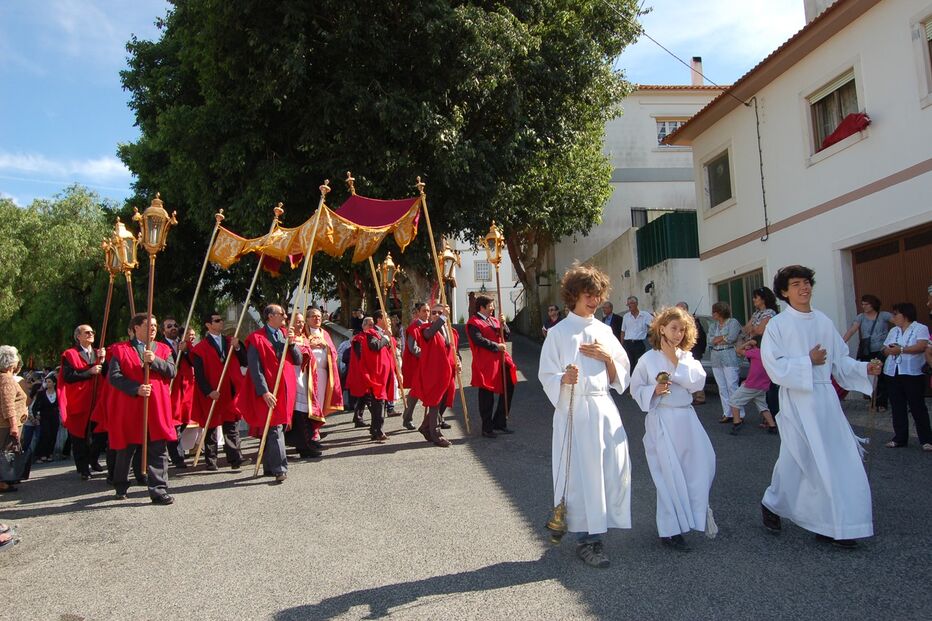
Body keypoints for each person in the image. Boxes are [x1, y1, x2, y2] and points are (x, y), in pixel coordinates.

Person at [759, 265, 881, 548]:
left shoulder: (824, 321)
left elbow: (840, 361)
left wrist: (865, 368)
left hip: (825, 400)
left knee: (837, 460)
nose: (804, 288)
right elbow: (774, 366)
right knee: (798, 459)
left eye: (807, 283)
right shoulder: (778, 325)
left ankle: (833, 524)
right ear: (784, 292)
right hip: (797, 398)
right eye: (797, 284)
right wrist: (806, 361)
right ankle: (772, 502)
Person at [539, 264, 632, 568]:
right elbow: (546, 374)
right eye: (588, 294)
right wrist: (562, 379)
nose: (594, 300)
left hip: (603, 408)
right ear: (573, 295)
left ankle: (598, 531)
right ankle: (586, 539)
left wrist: (607, 358)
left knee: (607, 472)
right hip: (574, 411)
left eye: (597, 295)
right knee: (579, 476)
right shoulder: (558, 333)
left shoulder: (605, 331)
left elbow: (622, 375)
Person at [630, 306, 713, 552]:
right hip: (662, 420)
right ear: (661, 328)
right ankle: (670, 530)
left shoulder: (686, 357)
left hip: (687, 420)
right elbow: (636, 390)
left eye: (682, 329)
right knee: (668, 475)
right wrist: (653, 391)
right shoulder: (648, 359)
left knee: (700, 469)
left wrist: (676, 361)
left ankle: (693, 517)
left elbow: (697, 382)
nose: (677, 334)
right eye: (673, 328)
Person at [107, 313, 177, 504]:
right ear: (136, 328)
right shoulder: (120, 350)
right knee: (126, 449)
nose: (153, 328)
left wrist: (154, 360)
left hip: (157, 407)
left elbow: (172, 371)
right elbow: (114, 376)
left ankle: (159, 490)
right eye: (149, 325)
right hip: (132, 407)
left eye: (155, 325)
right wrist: (135, 388)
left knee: (158, 449)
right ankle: (120, 483)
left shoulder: (163, 349)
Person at [239, 304, 301, 484]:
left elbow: (297, 360)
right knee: (274, 427)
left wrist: (292, 344)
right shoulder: (256, 338)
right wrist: (264, 391)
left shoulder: (285, 334)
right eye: (281, 314)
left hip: (285, 389)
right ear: (270, 316)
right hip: (269, 390)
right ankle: (280, 468)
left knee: (275, 427)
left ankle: (268, 465)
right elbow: (255, 369)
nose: (284, 317)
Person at [189, 312, 248, 470]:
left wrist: (237, 347)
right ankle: (211, 460)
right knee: (211, 426)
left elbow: (245, 360)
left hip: (229, 389)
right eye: (217, 320)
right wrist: (208, 391)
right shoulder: (200, 349)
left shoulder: (230, 342)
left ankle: (235, 458)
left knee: (231, 424)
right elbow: (199, 375)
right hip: (212, 391)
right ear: (208, 325)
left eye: (221, 320)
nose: (221, 322)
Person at [59, 324, 108, 479]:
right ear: (78, 336)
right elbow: (68, 376)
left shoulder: (97, 353)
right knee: (79, 437)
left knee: (100, 434)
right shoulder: (70, 354)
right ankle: (83, 469)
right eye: (86, 332)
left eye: (92, 332)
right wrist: (89, 372)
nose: (91, 334)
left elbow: (105, 374)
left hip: (96, 400)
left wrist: (104, 360)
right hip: (79, 400)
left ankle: (93, 459)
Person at [880, 302, 931, 451]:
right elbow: (884, 348)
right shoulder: (894, 330)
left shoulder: (920, 328)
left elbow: (922, 346)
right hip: (893, 371)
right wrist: (887, 351)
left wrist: (901, 349)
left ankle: (926, 439)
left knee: (917, 406)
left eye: (896, 314)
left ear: (905, 315)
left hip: (912, 372)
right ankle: (900, 438)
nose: (893, 317)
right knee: (897, 406)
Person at [292, 308, 343, 457]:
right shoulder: (303, 334)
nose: (316, 319)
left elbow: (334, 352)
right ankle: (310, 436)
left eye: (319, 317)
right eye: (313, 316)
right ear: (307, 319)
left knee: (319, 403)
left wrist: (326, 347)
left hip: (323, 373)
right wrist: (311, 346)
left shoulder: (325, 334)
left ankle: (316, 432)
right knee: (309, 404)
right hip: (307, 374)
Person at [466, 294, 517, 438]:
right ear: (482, 307)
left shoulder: (494, 320)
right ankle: (487, 427)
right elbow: (478, 340)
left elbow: (506, 336)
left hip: (501, 360)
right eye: (490, 306)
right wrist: (496, 346)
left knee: (509, 387)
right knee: (487, 394)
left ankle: (500, 422)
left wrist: (504, 324)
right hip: (485, 363)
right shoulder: (473, 322)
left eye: (493, 306)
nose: (493, 309)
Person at [413, 303, 459, 447]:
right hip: (433, 371)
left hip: (447, 371)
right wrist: (444, 316)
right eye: (434, 313)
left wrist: (458, 360)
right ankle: (436, 434)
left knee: (444, 401)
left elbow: (453, 349)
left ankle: (426, 426)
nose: (437, 315)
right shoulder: (425, 328)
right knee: (434, 403)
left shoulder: (449, 330)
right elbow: (429, 334)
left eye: (440, 313)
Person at [842, 294, 893, 412]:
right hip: (867, 350)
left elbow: (898, 322)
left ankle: (882, 403)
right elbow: (852, 330)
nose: (864, 306)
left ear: (873, 304)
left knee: (881, 377)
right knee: (869, 376)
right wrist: (842, 342)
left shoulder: (884, 315)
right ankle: (872, 401)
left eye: (866, 304)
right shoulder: (860, 317)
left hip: (881, 350)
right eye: (862, 304)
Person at [346, 315, 392, 442]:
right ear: (364, 326)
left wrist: (386, 339)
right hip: (370, 376)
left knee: (374, 404)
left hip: (376, 375)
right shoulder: (363, 338)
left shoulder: (374, 335)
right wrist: (386, 338)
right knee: (377, 405)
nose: (372, 327)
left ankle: (373, 428)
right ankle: (377, 430)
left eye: (372, 325)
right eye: (369, 325)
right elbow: (374, 347)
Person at [159, 318, 195, 469]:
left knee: (185, 420)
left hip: (186, 387)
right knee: (174, 423)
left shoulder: (184, 344)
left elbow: (194, 361)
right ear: (163, 330)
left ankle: (176, 451)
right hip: (172, 389)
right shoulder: (160, 346)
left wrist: (186, 350)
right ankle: (177, 456)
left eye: (175, 325)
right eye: (169, 326)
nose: (173, 328)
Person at [729, 338, 777, 434]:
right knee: (762, 406)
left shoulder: (755, 352)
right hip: (763, 385)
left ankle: (736, 424)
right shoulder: (770, 355)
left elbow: (738, 350)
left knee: (734, 401)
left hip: (751, 385)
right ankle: (772, 426)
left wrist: (748, 343)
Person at [708, 302, 744, 424]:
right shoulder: (713, 325)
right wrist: (723, 338)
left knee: (732, 385)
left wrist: (719, 339)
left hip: (729, 356)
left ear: (720, 312)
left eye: (714, 312)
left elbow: (732, 338)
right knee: (722, 387)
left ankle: (739, 413)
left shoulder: (733, 322)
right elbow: (710, 341)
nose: (713, 315)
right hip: (716, 358)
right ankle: (727, 413)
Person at [0, 345, 28, 493]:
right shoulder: (6, 380)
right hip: (6, 424)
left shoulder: (5, 377)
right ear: (11, 362)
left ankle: (6, 480)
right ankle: (3, 482)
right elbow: (8, 404)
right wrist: (12, 425)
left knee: (5, 452)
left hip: (6, 423)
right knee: (5, 452)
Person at [401, 302, 429, 431]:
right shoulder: (414, 327)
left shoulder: (429, 326)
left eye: (428, 310)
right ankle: (407, 418)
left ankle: (437, 418)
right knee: (415, 393)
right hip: (418, 364)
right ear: (417, 312)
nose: (427, 313)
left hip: (427, 364)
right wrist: (426, 355)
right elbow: (412, 348)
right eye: (424, 311)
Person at [675, 302, 707, 405]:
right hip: (682, 352)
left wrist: (700, 351)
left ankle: (700, 396)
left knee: (695, 373)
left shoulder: (693, 322)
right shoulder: (677, 322)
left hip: (693, 352)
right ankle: (690, 396)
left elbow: (700, 337)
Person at [32, 373, 61, 463]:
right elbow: (35, 406)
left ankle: (50, 454)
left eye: (49, 382)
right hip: (44, 416)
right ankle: (42, 454)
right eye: (46, 382)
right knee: (45, 434)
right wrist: (36, 415)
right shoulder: (41, 394)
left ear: (54, 383)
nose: (47, 384)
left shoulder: (58, 393)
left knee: (53, 435)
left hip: (54, 416)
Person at [620, 296, 652, 370]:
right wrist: (622, 345)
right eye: (628, 304)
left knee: (639, 364)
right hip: (628, 343)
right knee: (629, 364)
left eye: (631, 303)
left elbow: (654, 324)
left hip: (639, 343)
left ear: (636, 304)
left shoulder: (645, 315)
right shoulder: (626, 316)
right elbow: (623, 331)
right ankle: (630, 381)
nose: (629, 306)